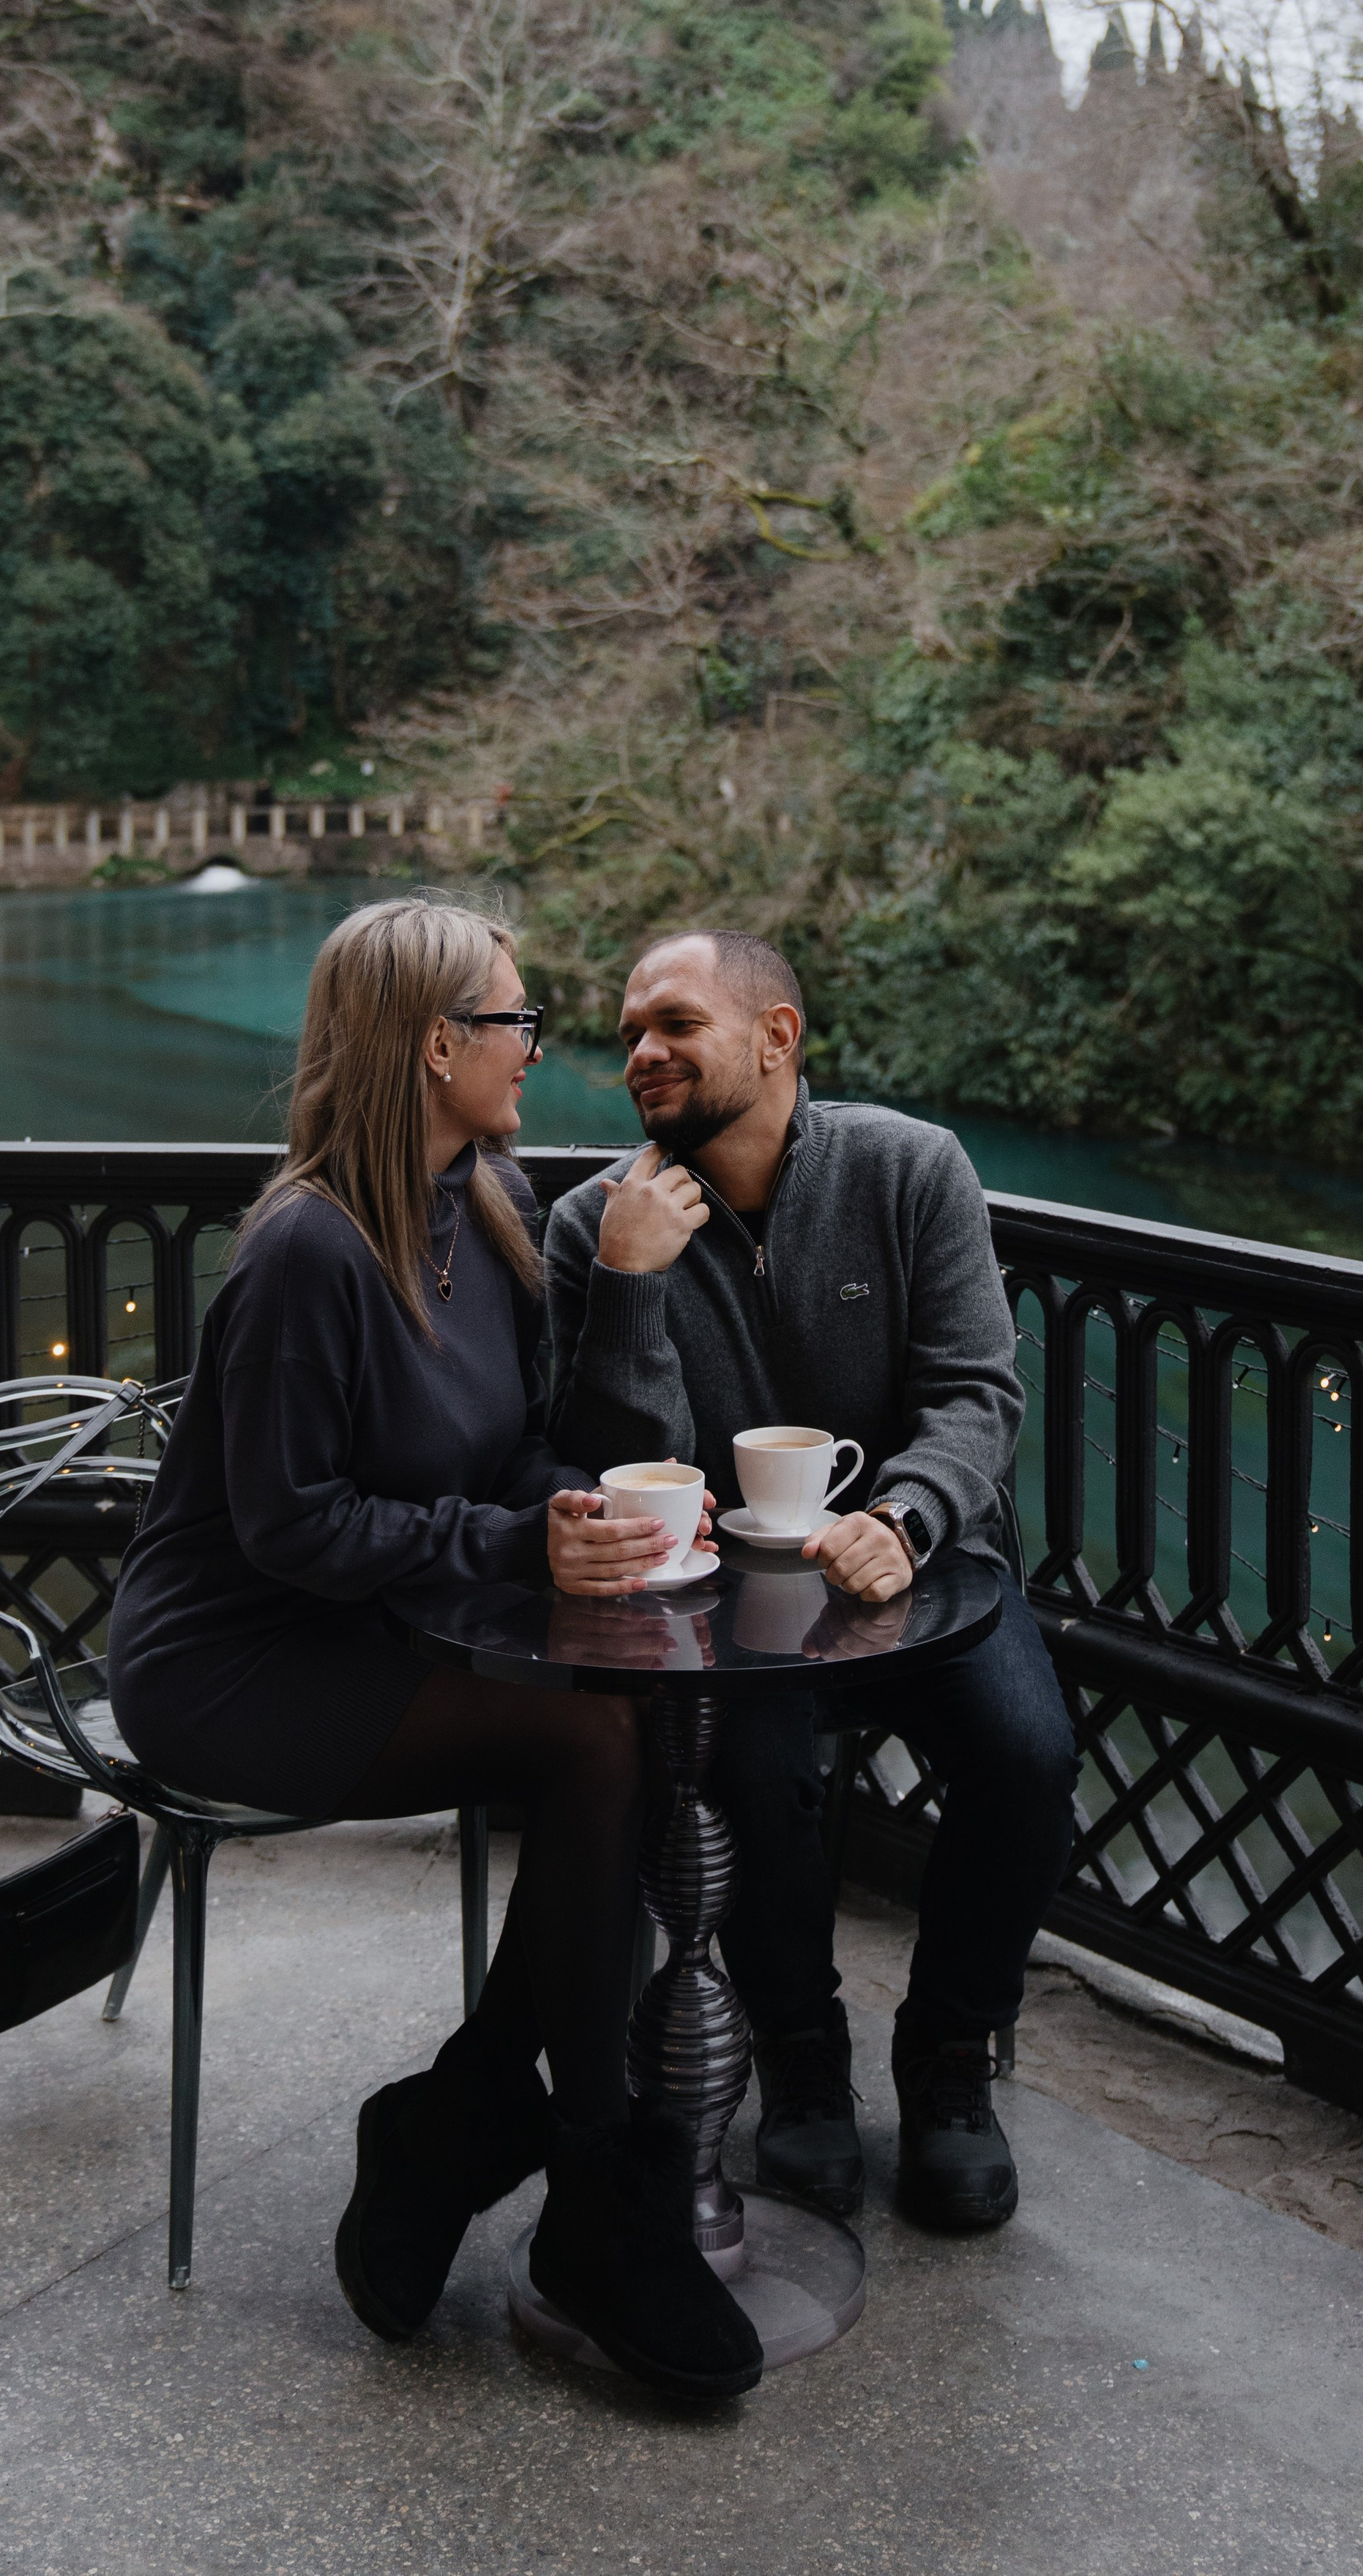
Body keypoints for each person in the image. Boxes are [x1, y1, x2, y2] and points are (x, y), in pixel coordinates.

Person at [108, 897, 761, 2400]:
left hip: (384, 1622)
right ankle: (593, 2189)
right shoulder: (305, 1255)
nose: (537, 1046)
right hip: (237, 1662)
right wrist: (512, 1544)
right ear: (429, 1045)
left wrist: (570, 1509)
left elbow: (507, 1448)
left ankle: (467, 2116)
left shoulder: (484, 1201)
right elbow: (294, 1530)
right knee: (589, 1735)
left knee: (625, 1723)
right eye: (513, 1021)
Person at [544, 929, 1078, 2232]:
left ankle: (952, 2057)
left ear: (777, 1037)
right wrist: (628, 1288)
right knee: (755, 1770)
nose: (642, 1055)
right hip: (726, 1607)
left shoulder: (908, 1168)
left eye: (676, 1024)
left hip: (921, 1569)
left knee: (1028, 1754)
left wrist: (907, 1511)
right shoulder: (594, 1225)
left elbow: (974, 1390)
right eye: (629, 1034)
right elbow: (628, 1471)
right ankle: (802, 2060)